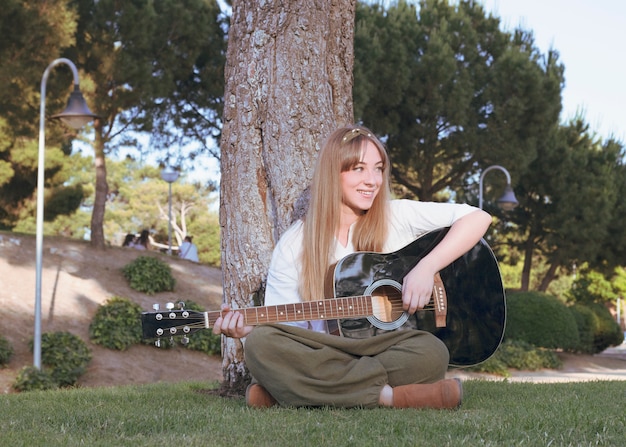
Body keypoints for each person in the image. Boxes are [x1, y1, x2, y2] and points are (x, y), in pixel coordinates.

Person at [213, 125, 492, 410]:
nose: (372, 180)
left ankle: (295, 391)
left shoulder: (396, 215)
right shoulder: (295, 242)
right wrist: (247, 331)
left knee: (433, 353)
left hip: (386, 348)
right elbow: (287, 330)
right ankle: (392, 397)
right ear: (332, 173)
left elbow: (477, 217)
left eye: (378, 168)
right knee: (262, 343)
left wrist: (426, 267)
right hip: (325, 351)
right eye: (358, 168)